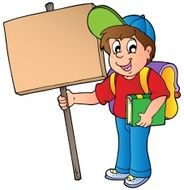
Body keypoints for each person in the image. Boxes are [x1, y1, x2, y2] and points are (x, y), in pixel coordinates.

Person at [58, 6, 169, 188]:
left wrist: (149, 114)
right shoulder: (114, 79)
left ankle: (140, 171)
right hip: (120, 116)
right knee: (123, 143)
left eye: (131, 48)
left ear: (148, 52)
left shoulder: (148, 76)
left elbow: (161, 95)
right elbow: (97, 96)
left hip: (140, 118)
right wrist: (74, 99)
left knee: (137, 144)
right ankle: (123, 168)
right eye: (116, 49)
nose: (122, 56)